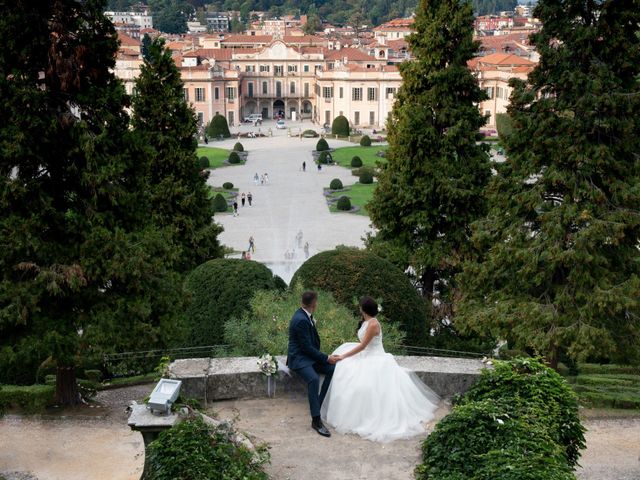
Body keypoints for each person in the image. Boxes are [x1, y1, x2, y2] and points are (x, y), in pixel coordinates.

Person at [321, 297, 439, 443]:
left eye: (360, 307)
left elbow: (363, 346)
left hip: (375, 357)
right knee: (344, 370)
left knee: (359, 381)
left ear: (363, 309)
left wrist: (344, 356)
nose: (359, 309)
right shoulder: (366, 321)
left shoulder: (373, 325)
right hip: (366, 354)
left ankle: (367, 417)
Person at [287, 291, 340, 437]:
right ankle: (316, 421)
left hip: (308, 357)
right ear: (313, 304)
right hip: (299, 358)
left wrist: (326, 359)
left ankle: (319, 403)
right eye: (316, 302)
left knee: (332, 369)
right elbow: (306, 348)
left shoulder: (305, 315)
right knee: (313, 379)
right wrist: (326, 357)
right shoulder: (301, 319)